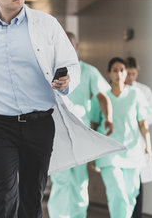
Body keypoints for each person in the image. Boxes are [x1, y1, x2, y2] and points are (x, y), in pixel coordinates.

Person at [0, 0, 123, 218]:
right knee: (4, 194)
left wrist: (67, 82)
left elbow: (72, 66)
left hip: (39, 124)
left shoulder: (47, 25)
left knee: (32, 196)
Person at [47, 32, 111, 218]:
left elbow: (103, 96)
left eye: (70, 44)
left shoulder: (88, 71)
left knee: (80, 181)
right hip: (58, 133)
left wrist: (107, 119)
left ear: (76, 46)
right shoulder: (50, 71)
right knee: (61, 179)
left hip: (81, 133)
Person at [89, 57, 152, 218]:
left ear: (126, 73)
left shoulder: (135, 95)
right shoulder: (102, 97)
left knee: (131, 195)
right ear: (109, 73)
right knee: (118, 194)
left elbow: (143, 123)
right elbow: (94, 126)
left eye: (122, 70)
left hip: (132, 152)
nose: (119, 73)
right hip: (109, 153)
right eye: (115, 70)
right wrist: (92, 153)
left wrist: (148, 147)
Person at [125, 56, 152, 218]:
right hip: (123, 143)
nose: (130, 77)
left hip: (137, 142)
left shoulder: (143, 91)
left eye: (133, 74)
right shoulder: (116, 90)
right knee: (122, 187)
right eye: (128, 73)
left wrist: (138, 120)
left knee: (137, 185)